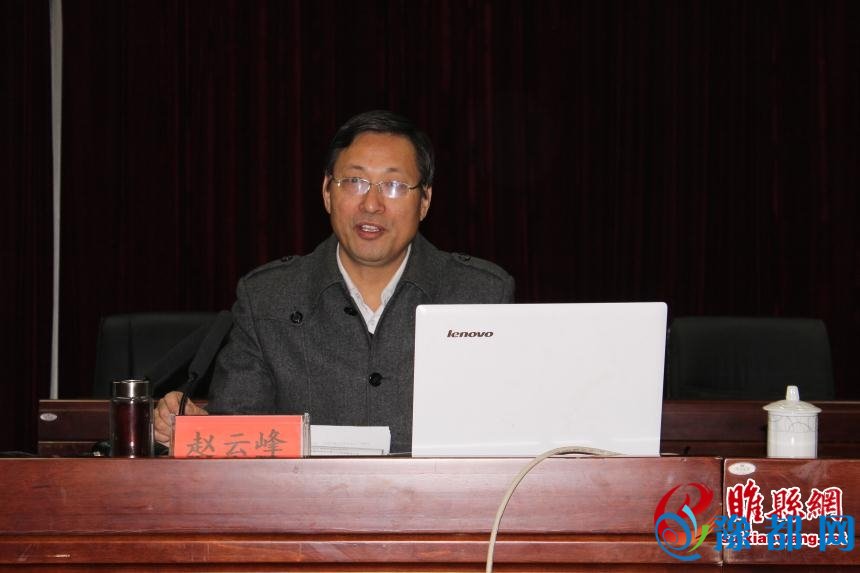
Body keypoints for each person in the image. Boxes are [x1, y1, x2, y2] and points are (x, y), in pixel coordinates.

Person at [154, 110, 514, 453]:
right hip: (302, 499)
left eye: (393, 185)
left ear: (424, 201)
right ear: (327, 191)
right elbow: (239, 438)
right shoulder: (266, 297)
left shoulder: (481, 295)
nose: (371, 204)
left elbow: (509, 435)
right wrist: (200, 432)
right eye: (355, 182)